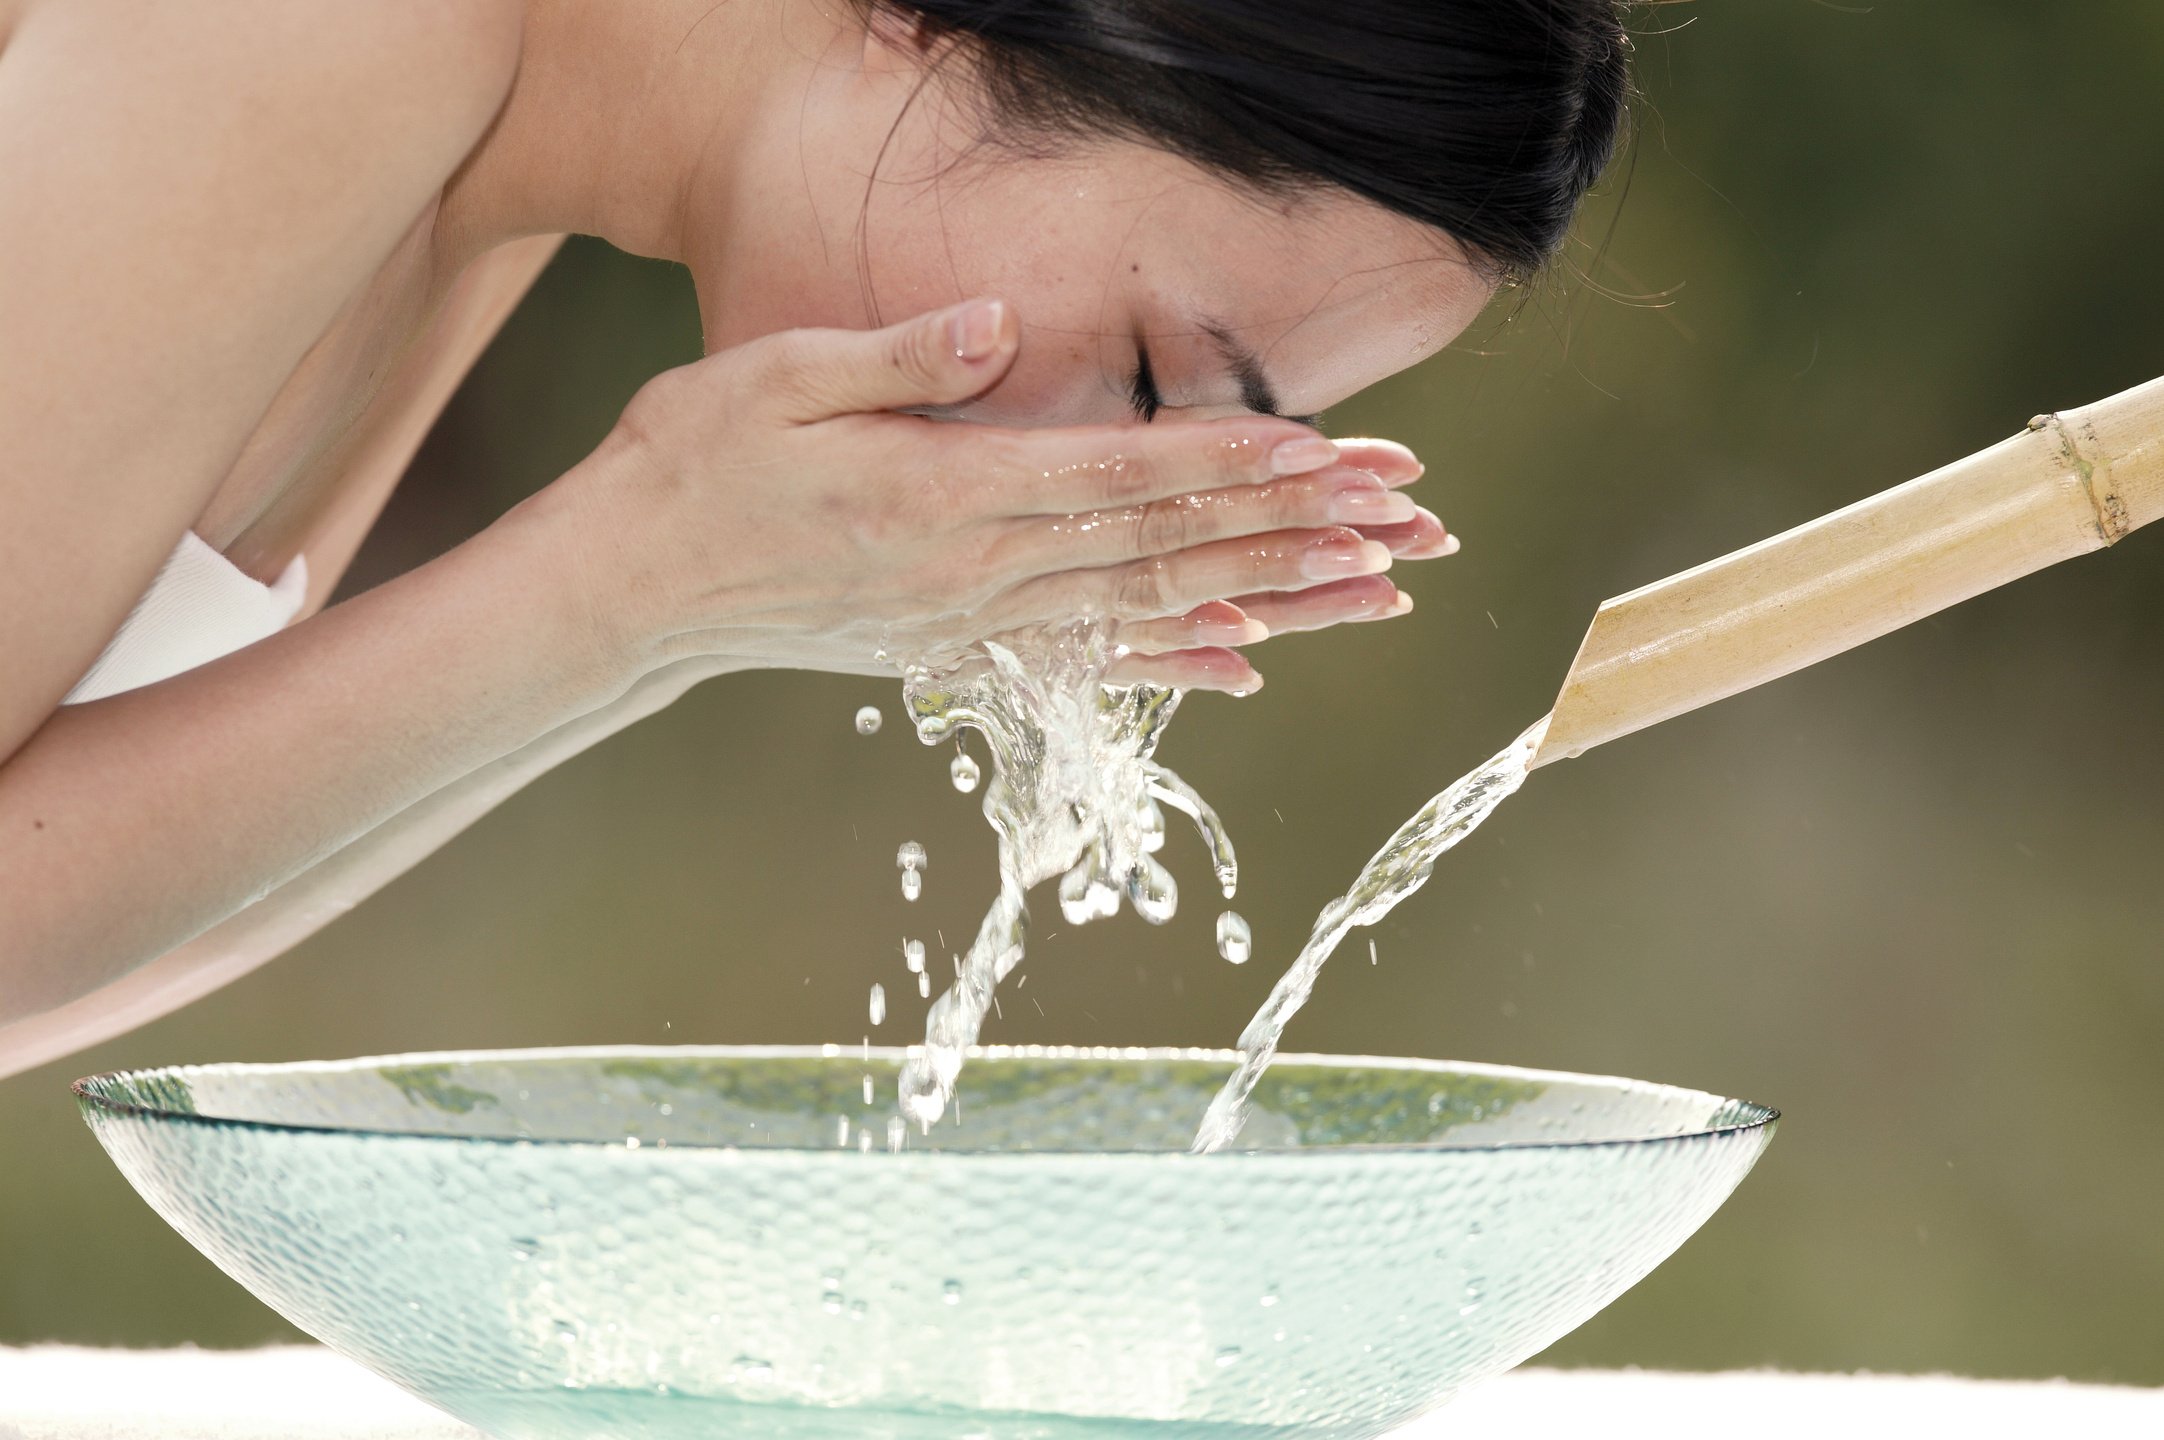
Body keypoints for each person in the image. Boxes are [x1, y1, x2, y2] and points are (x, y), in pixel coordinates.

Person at [0, 0, 1629, 1077]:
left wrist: (693, 608)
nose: (1098, 482)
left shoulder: (490, 173)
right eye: (1149, 376)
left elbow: (66, 950)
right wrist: (628, 576)